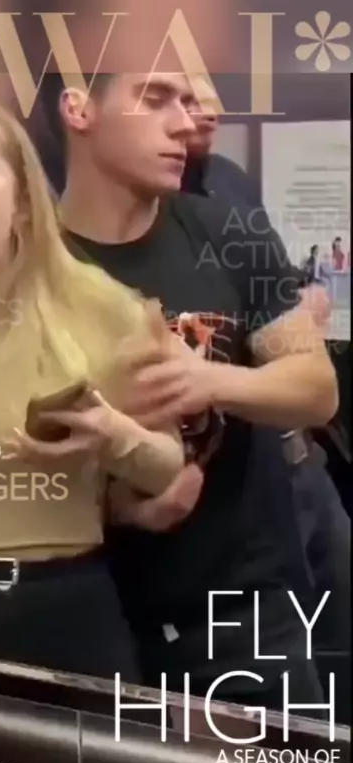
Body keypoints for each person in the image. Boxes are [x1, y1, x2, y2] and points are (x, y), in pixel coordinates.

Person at [0, 80, 185, 684]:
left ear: (21, 200)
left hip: (75, 618)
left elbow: (166, 470)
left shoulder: (104, 309)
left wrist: (114, 437)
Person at [54, 71, 339, 711]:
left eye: (185, 102)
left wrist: (206, 378)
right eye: (154, 99)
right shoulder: (32, 263)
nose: (184, 123)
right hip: (97, 615)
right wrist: (123, 509)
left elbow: (316, 387)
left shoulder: (226, 232)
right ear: (79, 108)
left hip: (246, 611)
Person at [181, 117, 351, 657]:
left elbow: (311, 376)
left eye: (198, 92)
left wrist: (295, 307)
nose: (203, 109)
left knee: (337, 639)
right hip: (232, 492)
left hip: (302, 462)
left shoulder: (228, 180)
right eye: (169, 96)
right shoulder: (123, 225)